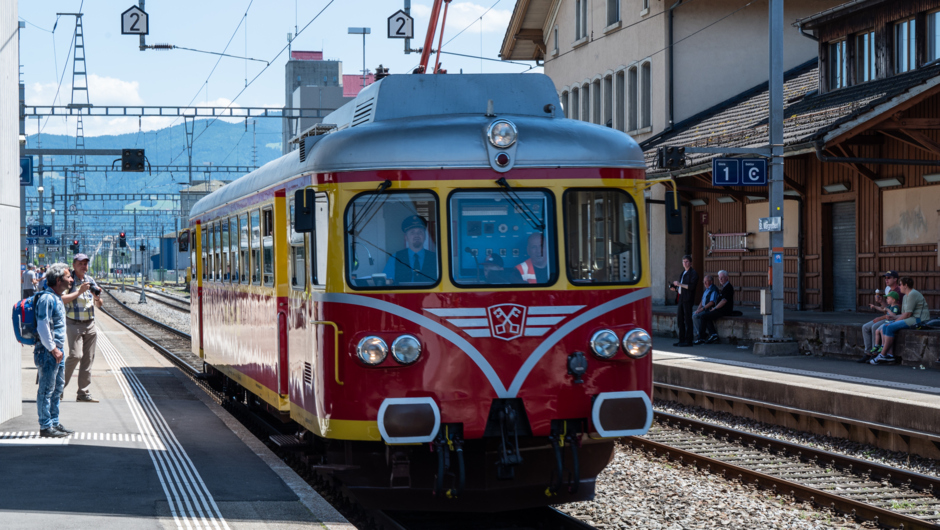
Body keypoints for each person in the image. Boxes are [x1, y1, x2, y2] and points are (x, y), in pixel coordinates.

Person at [34, 263, 74, 438]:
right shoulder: (47, 299)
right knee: (46, 389)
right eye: (68, 277)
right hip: (48, 352)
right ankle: (45, 426)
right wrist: (52, 348)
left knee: (57, 388)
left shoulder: (57, 297)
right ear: (58, 280)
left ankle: (54, 422)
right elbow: (43, 325)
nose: (71, 279)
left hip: (57, 351)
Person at [62, 253, 102, 403]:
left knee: (88, 359)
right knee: (75, 355)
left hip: (90, 324)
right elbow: (61, 299)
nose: (84, 266)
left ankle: (83, 393)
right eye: (80, 263)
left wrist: (97, 297)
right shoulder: (69, 281)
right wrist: (79, 292)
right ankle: (58, 389)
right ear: (74, 265)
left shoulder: (90, 280)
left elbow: (99, 304)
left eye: (85, 263)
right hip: (74, 323)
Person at [870, 277, 931, 365]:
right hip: (912, 318)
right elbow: (904, 314)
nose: (899, 286)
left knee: (890, 326)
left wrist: (894, 322)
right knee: (885, 326)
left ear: (906, 285)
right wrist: (893, 318)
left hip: (918, 320)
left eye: (901, 284)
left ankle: (882, 354)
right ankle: (889, 355)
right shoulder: (906, 296)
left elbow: (908, 314)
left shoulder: (913, 294)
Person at [382, 215, 438, 285]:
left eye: (420, 232)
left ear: (425, 236)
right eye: (412, 232)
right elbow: (385, 283)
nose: (416, 235)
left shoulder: (436, 259)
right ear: (406, 237)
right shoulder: (395, 258)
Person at [858, 291, 900, 363]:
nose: (887, 299)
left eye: (888, 298)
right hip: (886, 319)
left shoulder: (896, 306)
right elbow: (883, 308)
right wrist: (874, 306)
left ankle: (876, 352)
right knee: (865, 327)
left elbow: (894, 315)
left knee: (876, 327)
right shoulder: (889, 305)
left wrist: (881, 317)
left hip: (889, 320)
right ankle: (869, 352)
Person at [699, 270, 734, 344]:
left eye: (722, 277)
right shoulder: (724, 287)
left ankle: (701, 337)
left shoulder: (728, 287)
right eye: (719, 278)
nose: (720, 279)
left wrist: (715, 308)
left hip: (724, 310)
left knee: (704, 316)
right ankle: (713, 334)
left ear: (727, 278)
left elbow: (724, 301)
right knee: (706, 314)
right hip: (720, 310)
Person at [671, 255, 698, 347]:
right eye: (683, 262)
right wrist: (675, 288)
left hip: (688, 299)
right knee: (680, 319)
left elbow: (691, 287)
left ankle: (689, 340)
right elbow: (681, 288)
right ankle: (681, 339)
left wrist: (680, 284)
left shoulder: (693, 273)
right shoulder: (683, 273)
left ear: (690, 263)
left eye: (686, 261)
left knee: (687, 320)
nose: (685, 263)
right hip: (681, 298)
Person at [692, 275, 719, 345]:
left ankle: (701, 335)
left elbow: (712, 302)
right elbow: (702, 301)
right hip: (703, 308)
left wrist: (701, 310)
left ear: (711, 281)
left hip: (708, 309)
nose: (705, 283)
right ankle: (699, 333)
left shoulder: (713, 289)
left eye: (706, 281)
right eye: (704, 282)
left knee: (696, 316)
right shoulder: (706, 289)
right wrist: (698, 309)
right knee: (693, 314)